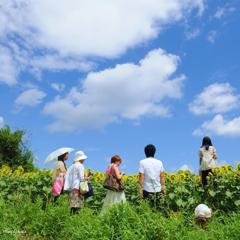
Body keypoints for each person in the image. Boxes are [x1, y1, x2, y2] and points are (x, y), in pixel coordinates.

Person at [139, 144, 166, 209]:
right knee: (158, 210)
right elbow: (162, 177)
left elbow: (141, 178)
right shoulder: (160, 162)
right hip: (158, 190)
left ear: (145, 152)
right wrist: (164, 190)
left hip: (146, 191)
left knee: (147, 210)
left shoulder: (142, 162)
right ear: (154, 152)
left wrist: (140, 191)